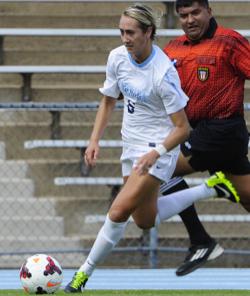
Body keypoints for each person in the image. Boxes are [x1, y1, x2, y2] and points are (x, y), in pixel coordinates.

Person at [64, 3, 239, 293]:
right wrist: (94, 140)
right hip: (130, 146)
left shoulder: (163, 73)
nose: (125, 38)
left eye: (131, 32)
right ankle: (212, 187)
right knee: (144, 220)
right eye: (121, 32)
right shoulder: (117, 58)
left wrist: (156, 152)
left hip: (159, 149)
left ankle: (82, 275)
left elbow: (183, 128)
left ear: (149, 32)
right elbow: (109, 99)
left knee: (118, 211)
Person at [161, 0, 250, 276]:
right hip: (201, 133)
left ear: (209, 11)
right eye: (183, 15)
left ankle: (201, 241)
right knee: (248, 197)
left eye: (195, 13)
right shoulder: (172, 49)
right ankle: (202, 239)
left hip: (223, 129)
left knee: (156, 169)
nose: (189, 20)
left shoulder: (229, 41)